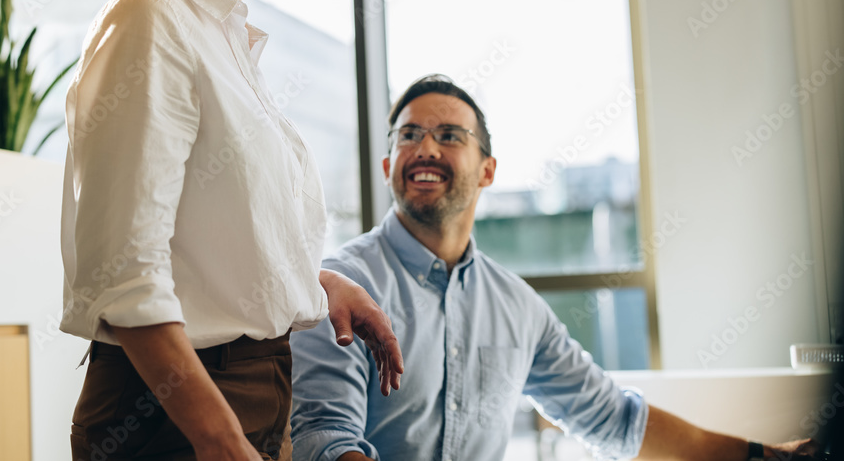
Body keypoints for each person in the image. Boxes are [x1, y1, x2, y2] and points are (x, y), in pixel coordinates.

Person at [59, 0, 401, 460]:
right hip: (175, 412)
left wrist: (320, 282)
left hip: (242, 393)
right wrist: (222, 440)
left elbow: (210, 230)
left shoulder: (222, 38)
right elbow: (126, 271)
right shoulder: (150, 21)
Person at [289, 74, 820, 461]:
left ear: (488, 170)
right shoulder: (343, 288)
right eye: (408, 136)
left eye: (449, 135)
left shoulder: (517, 306)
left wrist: (765, 456)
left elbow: (613, 419)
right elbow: (324, 441)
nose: (424, 148)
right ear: (388, 166)